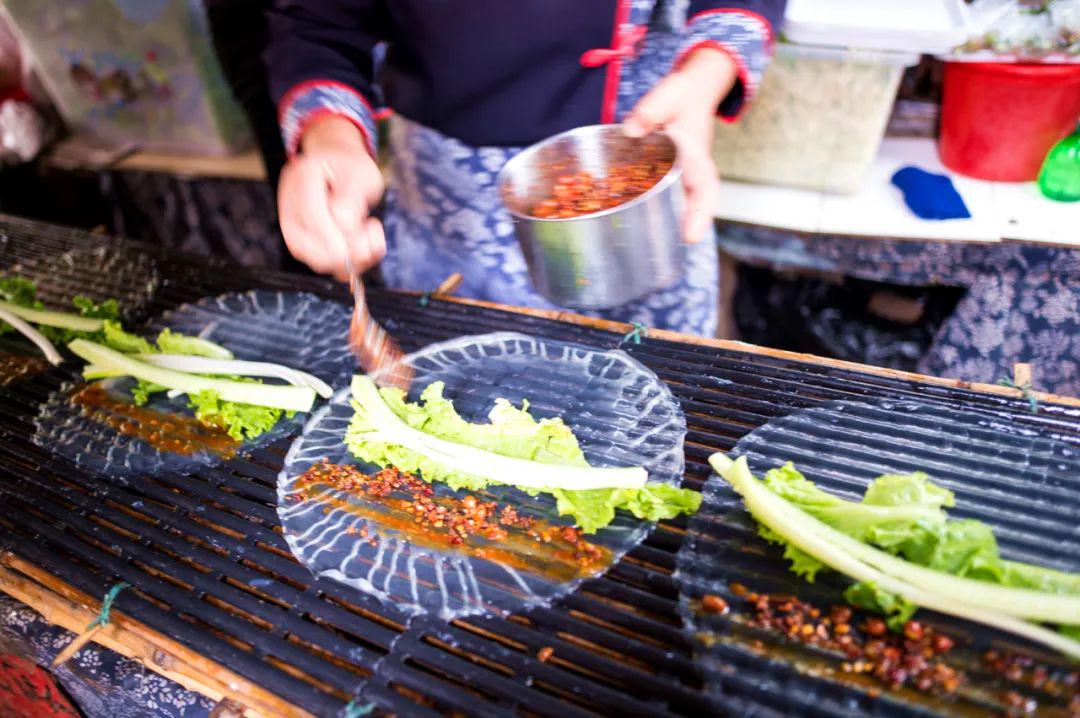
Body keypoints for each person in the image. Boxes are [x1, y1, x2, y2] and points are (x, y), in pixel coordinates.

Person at [265, 1, 784, 336]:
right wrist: (330, 137)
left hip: (651, 152)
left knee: (661, 389)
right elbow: (317, 22)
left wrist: (708, 71)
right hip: (458, 189)